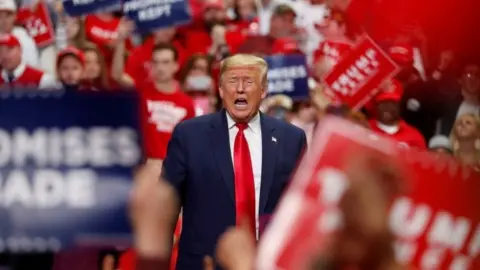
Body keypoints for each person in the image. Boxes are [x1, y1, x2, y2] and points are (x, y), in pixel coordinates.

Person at [161, 54, 307, 269]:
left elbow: (299, 210)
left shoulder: (292, 139)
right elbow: (165, 208)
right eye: (232, 81)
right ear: (220, 90)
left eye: (248, 82)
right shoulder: (189, 135)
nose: (240, 89)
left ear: (263, 90)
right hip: (204, 263)